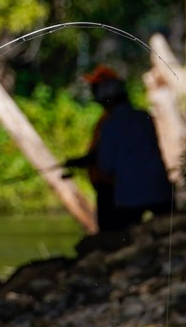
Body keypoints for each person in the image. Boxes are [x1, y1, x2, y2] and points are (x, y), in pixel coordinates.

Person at [65, 65, 174, 233]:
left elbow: (106, 165)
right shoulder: (144, 118)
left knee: (115, 233)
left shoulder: (110, 125)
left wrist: (89, 161)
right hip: (161, 192)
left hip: (129, 197)